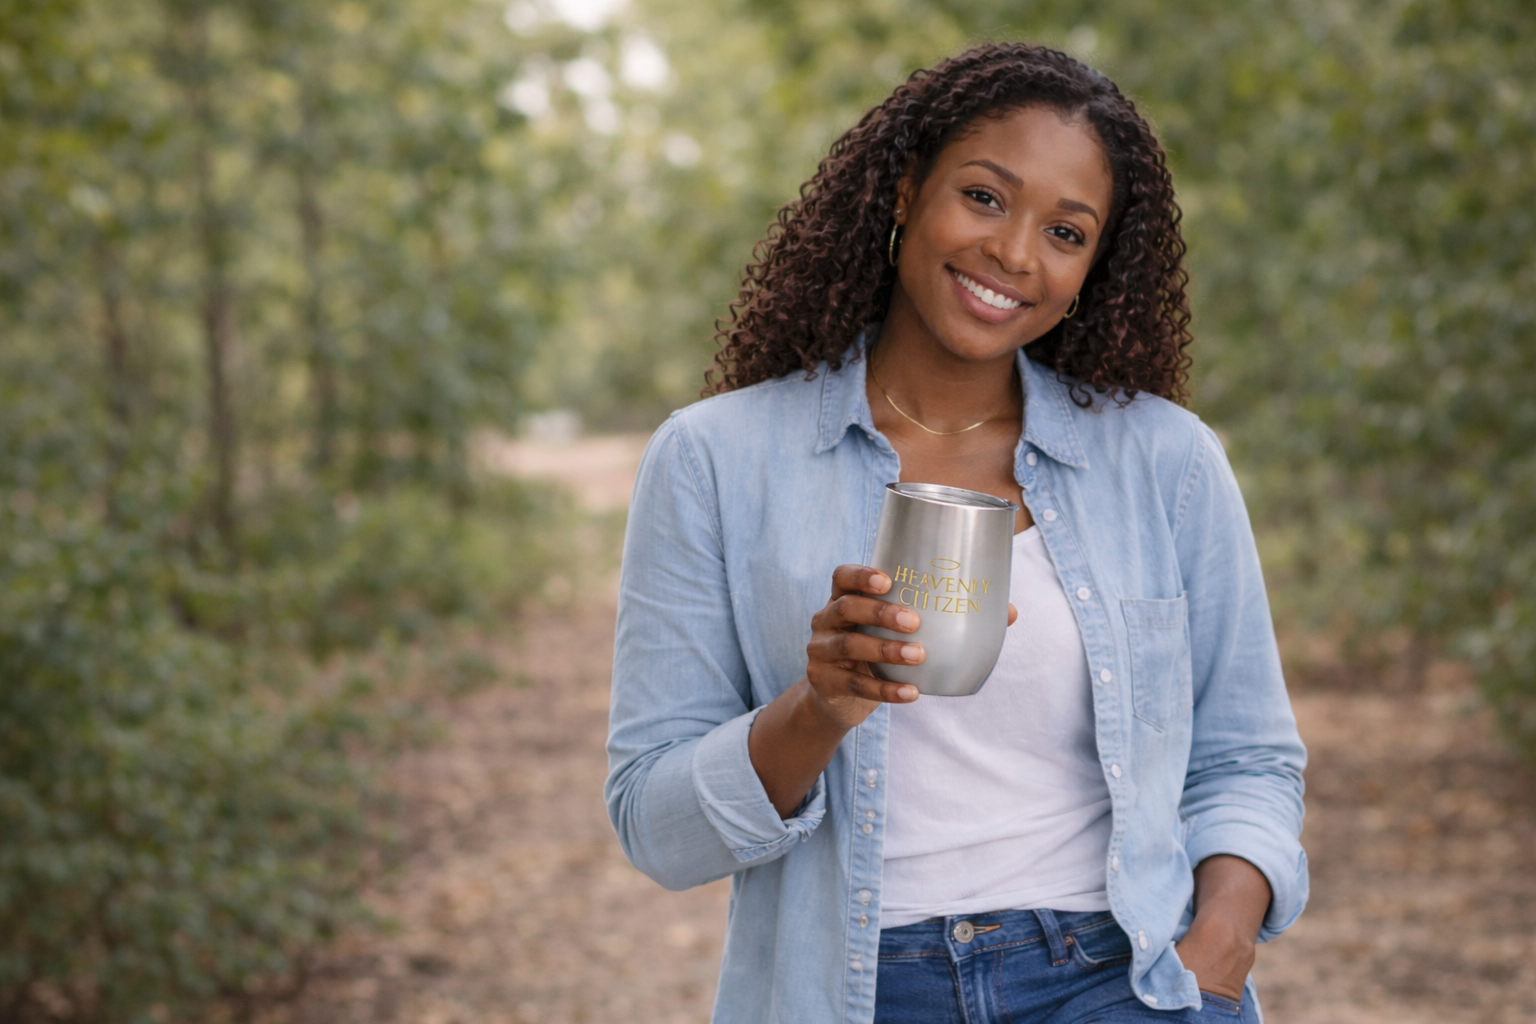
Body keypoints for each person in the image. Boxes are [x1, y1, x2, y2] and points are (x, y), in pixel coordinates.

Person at [605, 42, 1306, 1024]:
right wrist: (819, 705)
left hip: (1120, 977)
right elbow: (655, 827)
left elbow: (1248, 762)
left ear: (1091, 267)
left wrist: (1216, 955)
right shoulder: (715, 458)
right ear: (902, 193)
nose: (1016, 253)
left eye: (1066, 231)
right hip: (853, 988)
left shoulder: (1164, 460)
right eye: (984, 197)